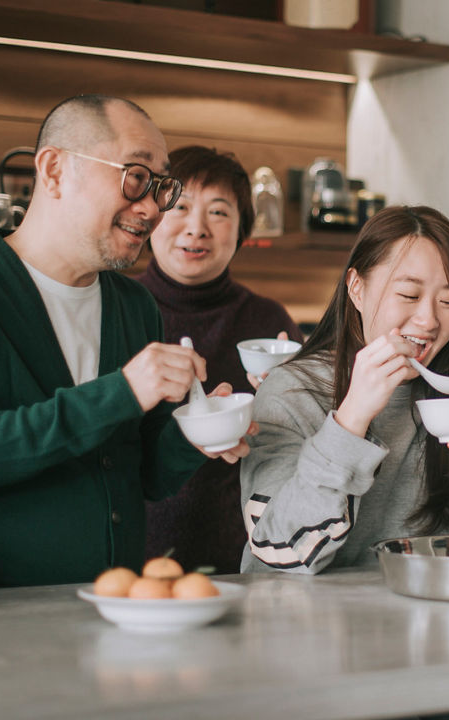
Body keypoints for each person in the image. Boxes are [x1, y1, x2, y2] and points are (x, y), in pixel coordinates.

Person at [0, 95, 251, 589]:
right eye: (135, 177)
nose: (150, 208)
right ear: (55, 170)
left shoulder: (133, 305)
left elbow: (142, 476)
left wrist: (196, 435)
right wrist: (120, 392)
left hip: (116, 602)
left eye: (161, 187)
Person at [239, 205, 449, 573]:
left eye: (448, 301)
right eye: (409, 295)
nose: (429, 320)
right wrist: (352, 418)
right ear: (356, 288)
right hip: (300, 625)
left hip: (421, 621)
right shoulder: (291, 393)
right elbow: (280, 549)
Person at [138, 145, 302, 574]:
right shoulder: (116, 309)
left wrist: (290, 395)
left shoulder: (269, 322)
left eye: (218, 212)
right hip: (135, 556)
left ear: (242, 231)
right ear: (151, 215)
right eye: (181, 207)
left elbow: (304, 443)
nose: (197, 229)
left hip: (247, 554)